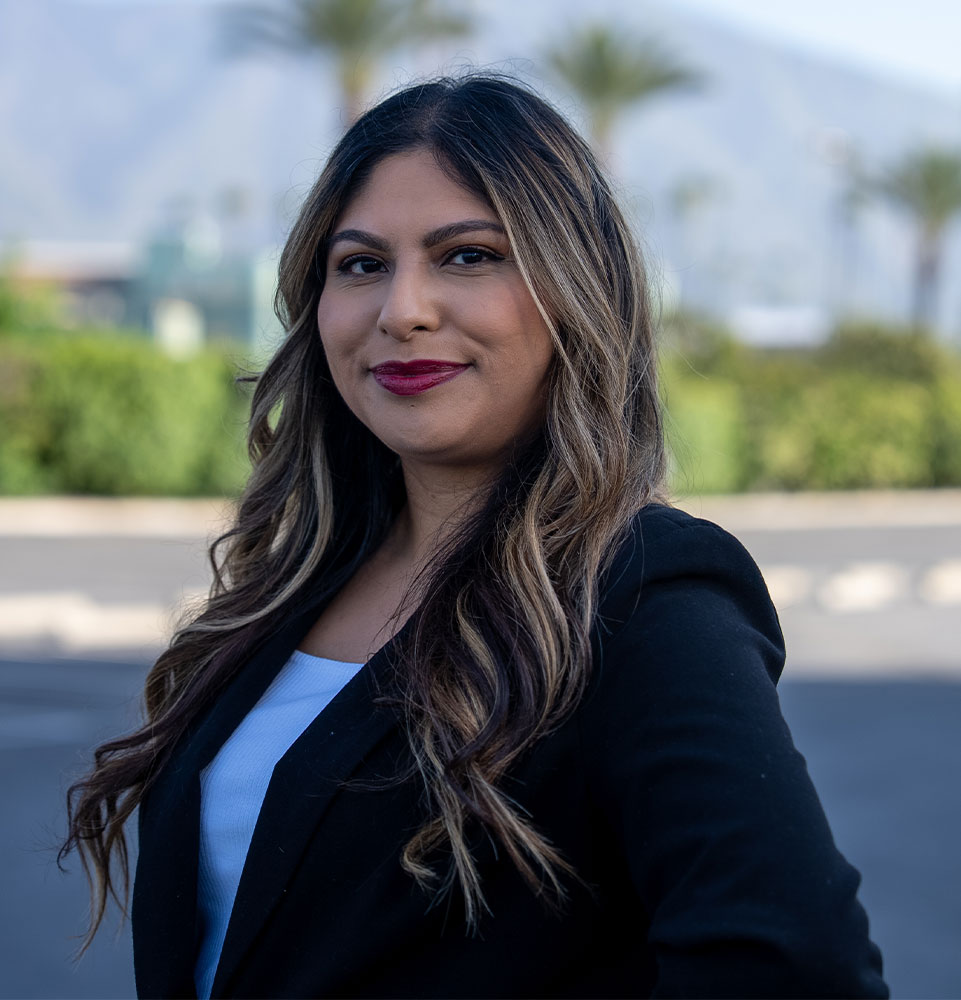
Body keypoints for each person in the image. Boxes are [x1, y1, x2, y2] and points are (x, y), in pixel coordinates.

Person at [63, 74, 888, 999]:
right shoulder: (296, 586)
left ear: (575, 291)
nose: (402, 309)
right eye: (361, 264)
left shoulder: (643, 596)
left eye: (467, 256)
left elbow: (792, 970)